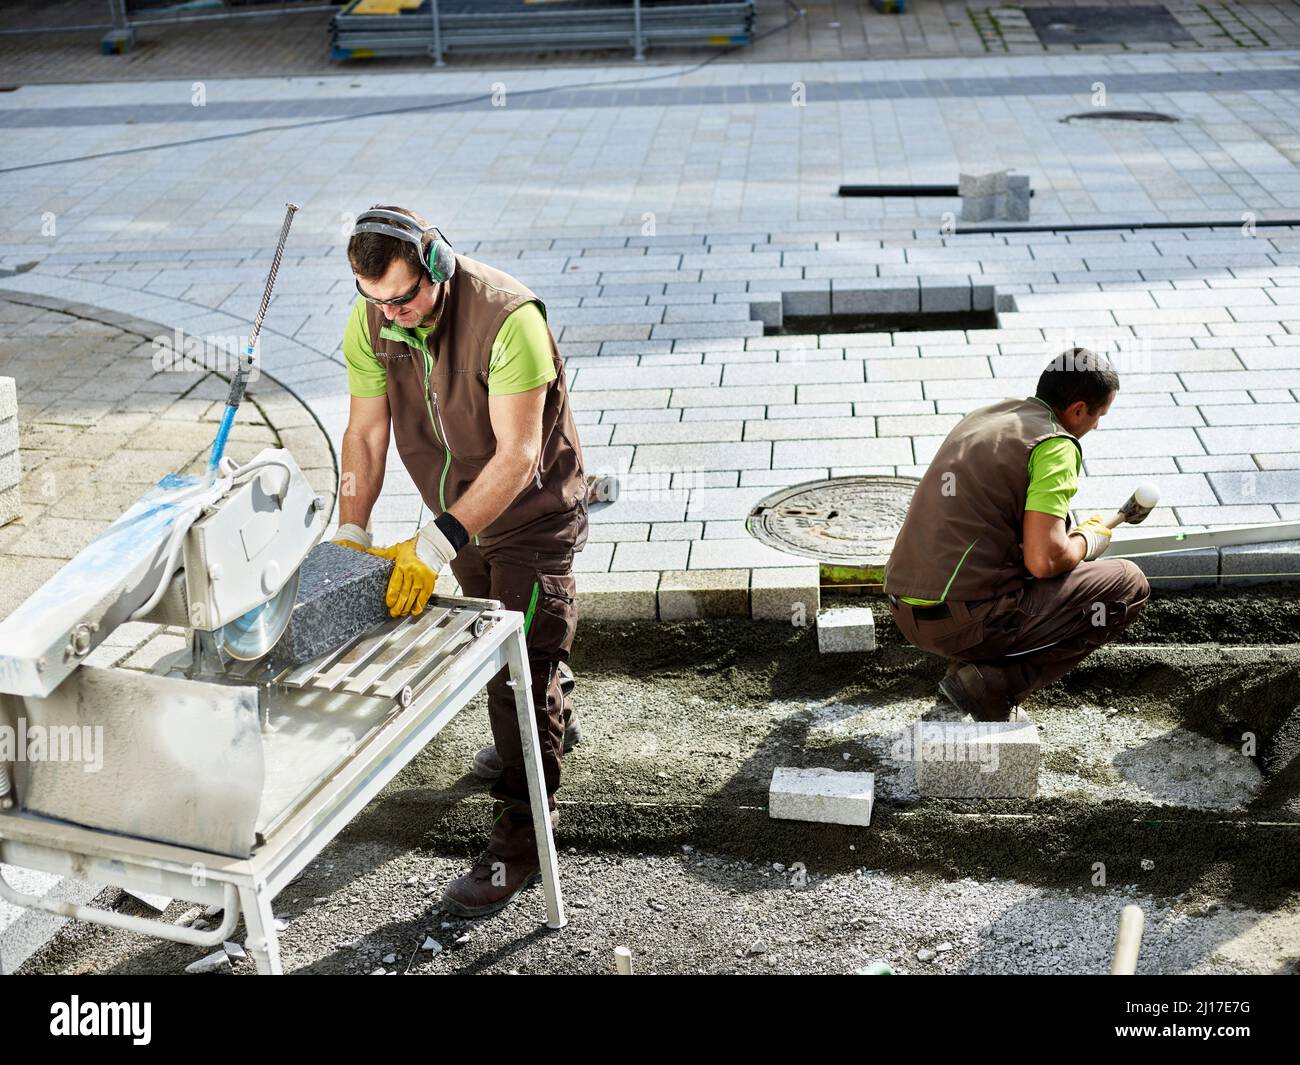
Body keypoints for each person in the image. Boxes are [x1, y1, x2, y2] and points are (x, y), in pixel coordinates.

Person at [332, 205, 586, 915]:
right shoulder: (374, 320)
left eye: (404, 297)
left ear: (436, 265)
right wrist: (351, 527)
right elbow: (364, 433)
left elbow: (517, 456)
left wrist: (437, 539)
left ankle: (524, 839)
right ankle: (544, 712)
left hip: (534, 514)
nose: (391, 314)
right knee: (505, 655)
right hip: (462, 519)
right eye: (374, 300)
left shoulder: (509, 320)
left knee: (516, 672)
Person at [884, 348, 1150, 721]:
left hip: (906, 608)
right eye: (1098, 415)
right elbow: (1044, 562)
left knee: (1024, 553)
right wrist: (1086, 542)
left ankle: (967, 667)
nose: (1096, 426)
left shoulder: (987, 418)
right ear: (1077, 409)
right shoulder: (1055, 446)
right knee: (1127, 583)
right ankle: (992, 682)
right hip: (962, 623)